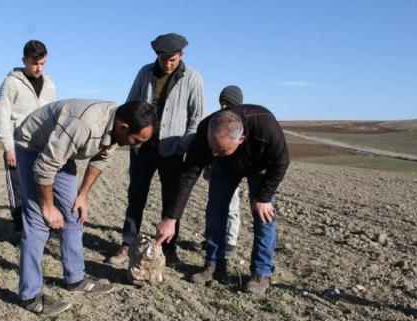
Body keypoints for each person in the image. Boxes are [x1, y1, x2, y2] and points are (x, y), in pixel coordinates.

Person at [14, 99, 156, 314]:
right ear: (123, 127)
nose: (137, 146)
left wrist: (82, 196)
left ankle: (75, 278)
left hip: (60, 151)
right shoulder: (83, 125)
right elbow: (44, 168)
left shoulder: (117, 126)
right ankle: (30, 295)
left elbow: (100, 159)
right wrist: (49, 207)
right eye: (136, 140)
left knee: (74, 213)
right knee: (38, 222)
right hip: (34, 147)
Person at [156, 104, 289, 295]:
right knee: (215, 210)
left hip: (260, 164)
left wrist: (263, 197)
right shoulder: (205, 132)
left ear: (241, 139)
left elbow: (281, 162)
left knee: (264, 216)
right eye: (212, 148)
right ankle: (214, 265)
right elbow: (188, 175)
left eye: (220, 149)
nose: (213, 154)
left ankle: (261, 273)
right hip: (226, 167)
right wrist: (171, 218)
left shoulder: (266, 126)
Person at [106, 33, 205, 266]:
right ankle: (127, 245)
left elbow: (197, 116)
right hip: (142, 146)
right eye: (163, 59)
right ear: (156, 56)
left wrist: (183, 146)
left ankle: (169, 250)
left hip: (173, 149)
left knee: (171, 200)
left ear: (181, 55)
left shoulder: (192, 77)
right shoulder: (144, 73)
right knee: (136, 196)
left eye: (172, 59)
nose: (168, 63)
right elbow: (130, 105)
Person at [0, 40, 57, 235]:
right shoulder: (11, 83)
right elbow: (2, 115)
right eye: (34, 63)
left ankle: (40, 227)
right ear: (24, 60)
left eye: (42, 63)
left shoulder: (49, 84)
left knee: (43, 183)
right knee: (19, 186)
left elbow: (53, 114)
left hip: (42, 144)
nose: (39, 68)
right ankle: (20, 229)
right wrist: (8, 146)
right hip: (17, 143)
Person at [201, 85, 244, 258]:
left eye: (228, 104)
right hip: (217, 169)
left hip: (233, 171)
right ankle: (212, 239)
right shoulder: (217, 121)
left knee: (232, 206)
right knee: (213, 205)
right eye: (222, 104)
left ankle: (230, 242)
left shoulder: (238, 124)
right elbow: (210, 148)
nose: (224, 108)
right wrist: (207, 166)